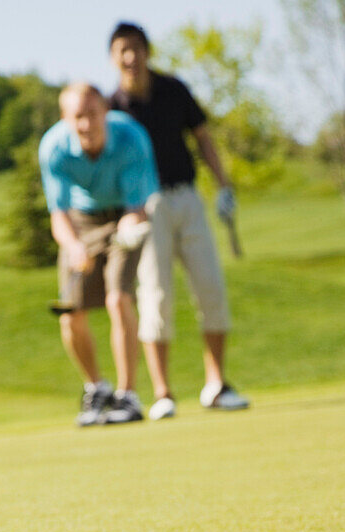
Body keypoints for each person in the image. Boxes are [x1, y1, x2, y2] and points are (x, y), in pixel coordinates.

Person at [108, 22, 249, 420]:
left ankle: (217, 385)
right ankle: (163, 392)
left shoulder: (174, 89)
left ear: (148, 51)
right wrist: (123, 215)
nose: (131, 56)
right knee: (156, 296)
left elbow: (203, 136)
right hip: (145, 207)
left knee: (211, 288)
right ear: (113, 58)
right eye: (123, 49)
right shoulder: (113, 106)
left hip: (187, 196)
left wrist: (223, 186)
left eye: (137, 47)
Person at [39, 82, 159, 426]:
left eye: (92, 114)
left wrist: (127, 229)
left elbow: (138, 206)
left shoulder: (131, 138)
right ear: (65, 118)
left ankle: (127, 396)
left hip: (126, 214)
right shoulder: (54, 148)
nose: (87, 124)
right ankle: (97, 389)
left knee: (118, 299)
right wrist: (74, 246)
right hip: (80, 221)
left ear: (105, 111)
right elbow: (58, 213)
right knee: (70, 315)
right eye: (78, 116)